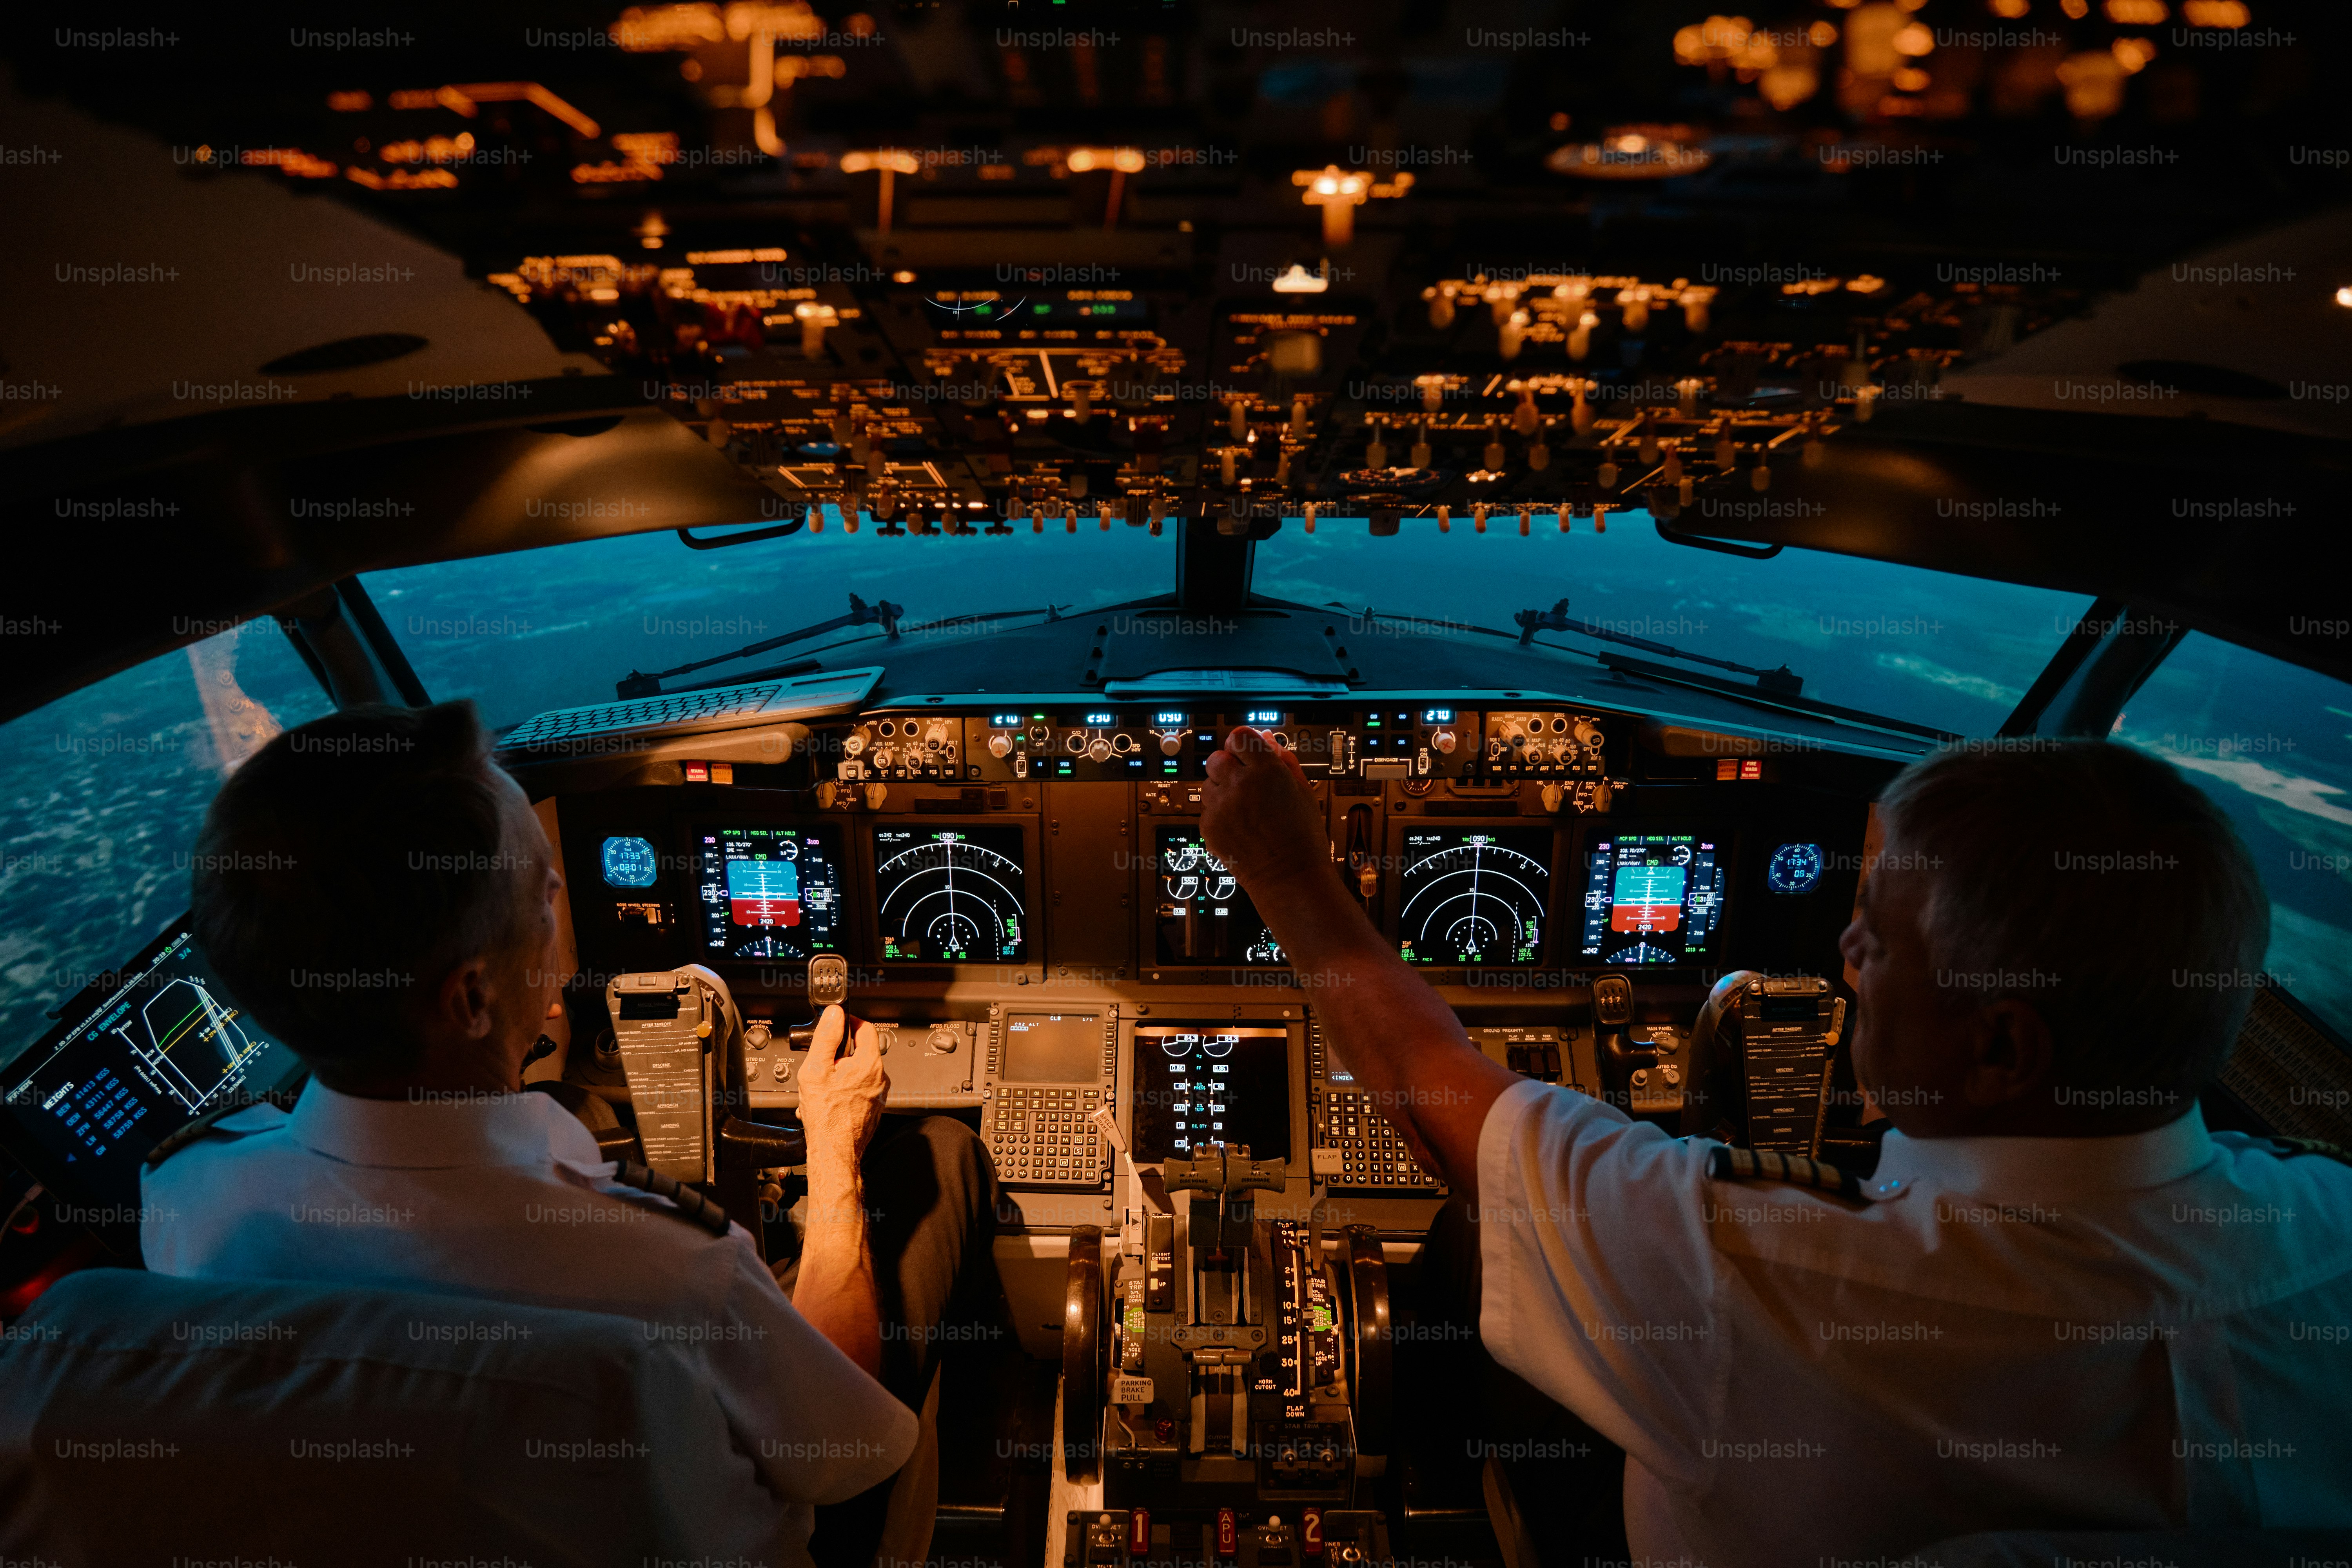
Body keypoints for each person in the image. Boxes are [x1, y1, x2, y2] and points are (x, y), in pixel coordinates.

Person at [1200, 728, 2352, 1564]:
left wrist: (1288, 871)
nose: (1844, 948)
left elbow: (1417, 1082)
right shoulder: (2332, 1232)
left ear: (2003, 1044)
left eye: (1881, 937)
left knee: (1475, 1234)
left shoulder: (1766, 1277)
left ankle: (1435, 1500)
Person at [149, 701, 1000, 1568]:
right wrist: (831, 1143)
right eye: (545, 891)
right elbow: (844, 1444)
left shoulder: (187, 1202)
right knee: (939, 1152)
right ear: (472, 998)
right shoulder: (668, 1270)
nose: (558, 907)